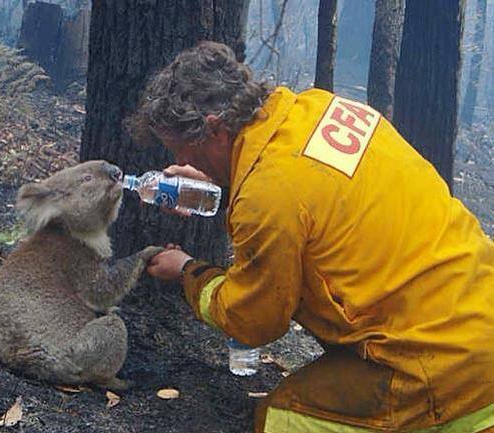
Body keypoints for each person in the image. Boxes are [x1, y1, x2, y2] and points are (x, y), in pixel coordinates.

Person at [132, 41, 494, 433]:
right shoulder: (319, 109)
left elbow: (253, 320)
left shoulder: (268, 196)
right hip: (479, 311)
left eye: (186, 153)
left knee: (283, 419)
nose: (184, 164)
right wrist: (221, 181)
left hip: (438, 366)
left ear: (215, 128)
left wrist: (188, 271)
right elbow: (309, 199)